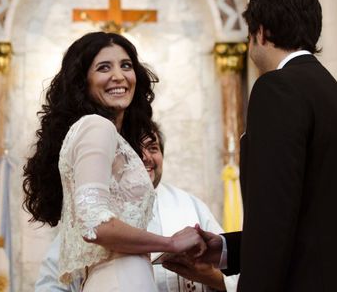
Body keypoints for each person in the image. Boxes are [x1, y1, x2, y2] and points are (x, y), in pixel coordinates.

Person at [167, 0, 337, 291]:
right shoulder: (336, 97)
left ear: (260, 32)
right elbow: (309, 218)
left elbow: (274, 216)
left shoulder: (277, 88)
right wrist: (224, 248)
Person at [23, 32, 204, 292]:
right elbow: (95, 225)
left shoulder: (103, 133)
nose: (118, 76)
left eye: (126, 65)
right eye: (103, 67)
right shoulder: (97, 127)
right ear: (82, 81)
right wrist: (170, 243)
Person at [34, 124, 239, 292]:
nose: (146, 157)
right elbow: (51, 285)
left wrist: (211, 277)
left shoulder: (190, 206)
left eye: (153, 148)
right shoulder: (93, 211)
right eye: (135, 149)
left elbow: (238, 274)